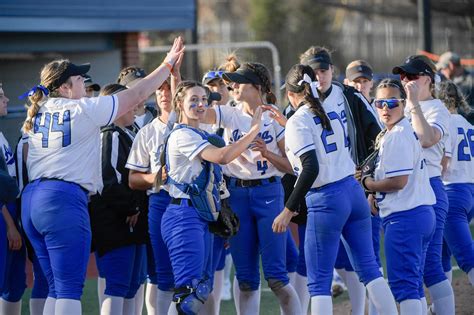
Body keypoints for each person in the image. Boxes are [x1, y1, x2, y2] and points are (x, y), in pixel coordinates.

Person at [19, 37, 184, 315]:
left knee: (55, 288)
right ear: (64, 87)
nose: (85, 83)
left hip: (33, 200)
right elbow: (136, 94)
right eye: (79, 79)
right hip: (63, 200)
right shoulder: (81, 109)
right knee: (70, 289)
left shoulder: (39, 111)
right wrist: (167, 64)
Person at [272, 64, 397, 315]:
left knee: (318, 282)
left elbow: (310, 168)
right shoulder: (329, 108)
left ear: (290, 94)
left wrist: (288, 210)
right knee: (370, 269)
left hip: (327, 198)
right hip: (352, 190)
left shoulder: (299, 120)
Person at [201, 62, 301, 315]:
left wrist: (267, 154)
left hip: (268, 193)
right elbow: (198, 114)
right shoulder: (229, 113)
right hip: (235, 195)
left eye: (239, 81)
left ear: (257, 86)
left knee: (277, 277)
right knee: (245, 278)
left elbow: (292, 166)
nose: (233, 86)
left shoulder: (274, 117)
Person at [158, 80, 264, 314]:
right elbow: (223, 156)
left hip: (199, 215)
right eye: (193, 100)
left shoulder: (198, 132)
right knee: (189, 294)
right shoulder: (182, 135)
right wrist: (253, 131)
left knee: (200, 289)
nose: (200, 104)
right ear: (180, 103)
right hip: (183, 215)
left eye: (203, 100)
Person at [298, 47, 382, 314]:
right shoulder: (300, 105)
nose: (320, 76)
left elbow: (377, 137)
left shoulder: (348, 96)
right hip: (328, 191)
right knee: (346, 266)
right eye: (314, 72)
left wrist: (369, 177)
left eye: (324, 70)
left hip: (351, 188)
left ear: (332, 70)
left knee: (363, 265)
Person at [361, 78, 436, 314]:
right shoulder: (395, 132)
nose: (385, 108)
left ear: (403, 103)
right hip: (418, 214)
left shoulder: (397, 134)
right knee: (413, 286)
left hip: (406, 217)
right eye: (380, 103)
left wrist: (368, 183)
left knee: (404, 288)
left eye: (392, 102)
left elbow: (398, 182)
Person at [392, 55, 455, 314]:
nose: (406, 80)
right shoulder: (403, 107)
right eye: (403, 76)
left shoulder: (437, 108)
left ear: (427, 79)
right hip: (409, 189)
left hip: (430, 187)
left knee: (428, 266)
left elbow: (428, 139)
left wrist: (414, 104)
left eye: (412, 76)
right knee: (419, 267)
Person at [89, 83, 149, 315]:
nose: (135, 106)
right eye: (128, 102)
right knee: (117, 284)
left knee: (132, 284)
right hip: (115, 220)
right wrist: (130, 207)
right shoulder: (110, 134)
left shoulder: (128, 132)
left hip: (132, 218)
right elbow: (107, 180)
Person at [437, 80, 474, 285]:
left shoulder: (443, 124)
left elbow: (443, 162)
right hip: (469, 190)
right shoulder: (468, 124)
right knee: (442, 252)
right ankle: (442, 307)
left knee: (467, 258)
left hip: (451, 192)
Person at [0, 83, 26, 315]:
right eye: (0, 97)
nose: (6, 99)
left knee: (14, 284)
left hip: (11, 210)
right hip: (4, 214)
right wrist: (10, 225)